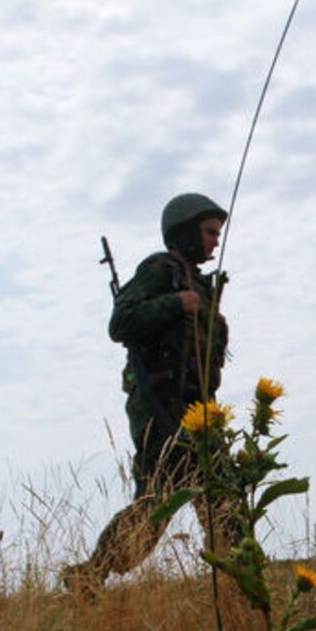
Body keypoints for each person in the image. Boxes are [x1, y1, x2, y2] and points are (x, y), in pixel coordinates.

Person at [63, 193, 233, 592]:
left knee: (225, 498)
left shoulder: (200, 285)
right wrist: (175, 303)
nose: (214, 241)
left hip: (198, 411)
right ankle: (92, 573)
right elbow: (121, 322)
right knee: (156, 504)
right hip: (160, 407)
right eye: (209, 232)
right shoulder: (161, 270)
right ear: (186, 231)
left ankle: (237, 583)